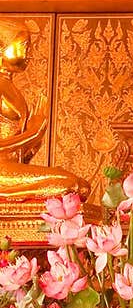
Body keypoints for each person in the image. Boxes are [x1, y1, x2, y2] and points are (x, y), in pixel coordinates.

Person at [0, 30, 88, 201]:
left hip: (10, 168)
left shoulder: (11, 88)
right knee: (71, 186)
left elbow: (21, 156)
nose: (29, 54)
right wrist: (34, 131)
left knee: (82, 187)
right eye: (24, 46)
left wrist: (34, 141)